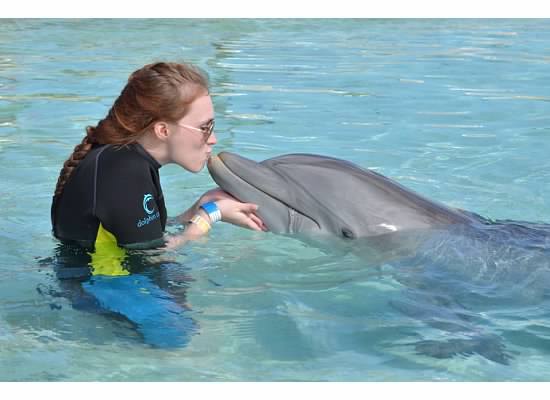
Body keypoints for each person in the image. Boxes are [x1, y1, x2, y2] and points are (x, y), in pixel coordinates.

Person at [51, 61, 267, 256]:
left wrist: (199, 207)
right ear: (163, 130)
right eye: (204, 127)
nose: (213, 139)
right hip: (102, 284)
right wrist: (211, 214)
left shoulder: (124, 161)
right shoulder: (123, 172)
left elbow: (143, 235)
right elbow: (152, 258)